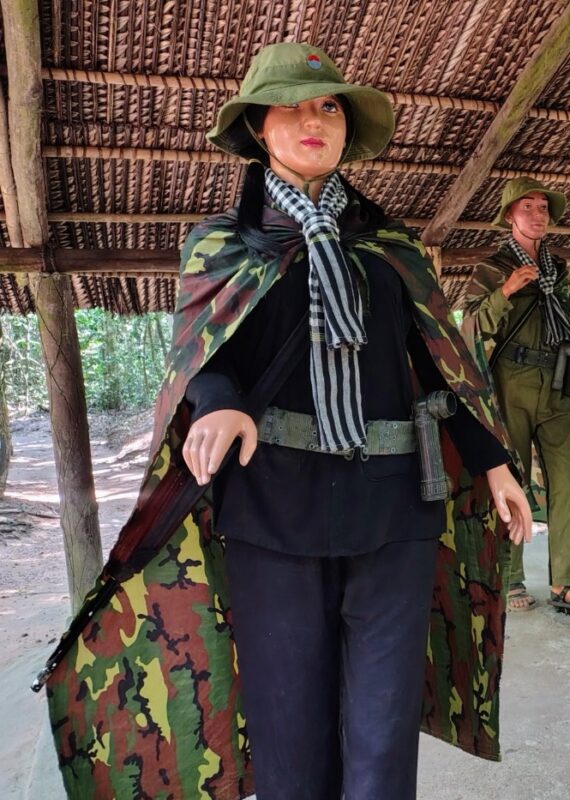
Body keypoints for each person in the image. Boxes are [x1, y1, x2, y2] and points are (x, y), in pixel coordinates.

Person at [40, 43, 531, 800]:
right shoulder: (221, 243)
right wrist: (219, 399)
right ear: (258, 129)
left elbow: (440, 363)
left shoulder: (390, 247)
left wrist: (493, 458)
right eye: (295, 106)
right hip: (272, 509)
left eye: (329, 106)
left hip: (396, 507)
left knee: (382, 735)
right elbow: (200, 353)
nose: (314, 118)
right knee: (289, 733)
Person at [463, 177, 570, 618]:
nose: (537, 214)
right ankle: (509, 578)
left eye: (543, 207)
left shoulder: (559, 268)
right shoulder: (491, 268)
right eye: (527, 206)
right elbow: (470, 328)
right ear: (510, 216)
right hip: (512, 381)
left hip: (560, 382)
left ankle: (566, 583)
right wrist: (507, 290)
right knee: (513, 479)